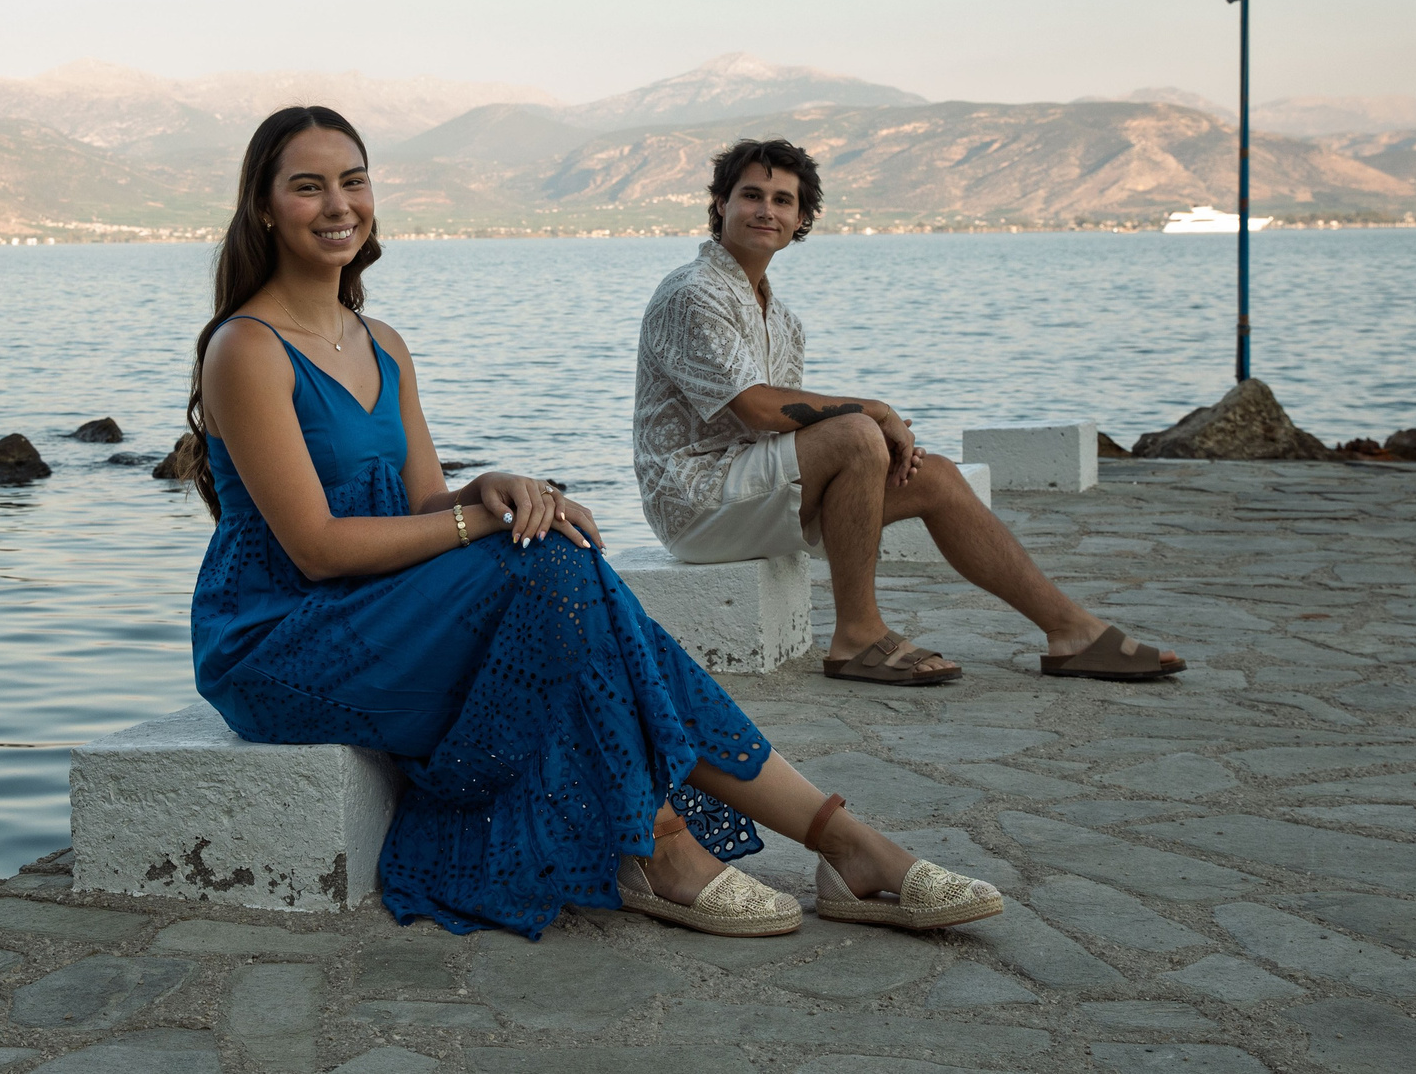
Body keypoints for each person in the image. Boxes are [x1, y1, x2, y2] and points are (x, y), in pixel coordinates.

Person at [186, 106, 1007, 940]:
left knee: (569, 571)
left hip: (378, 610)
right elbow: (318, 549)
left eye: (353, 181)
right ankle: (691, 842)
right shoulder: (246, 348)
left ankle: (828, 840)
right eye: (309, 186)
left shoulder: (382, 344)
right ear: (265, 207)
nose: (338, 205)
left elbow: (425, 501)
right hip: (281, 640)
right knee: (554, 573)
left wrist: (492, 487)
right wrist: (480, 525)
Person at [634, 138, 1186, 686]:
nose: (765, 211)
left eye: (783, 201)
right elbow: (758, 409)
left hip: (752, 494)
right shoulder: (694, 292)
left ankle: (1071, 632)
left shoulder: (782, 319)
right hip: (697, 501)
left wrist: (876, 453)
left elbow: (785, 428)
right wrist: (876, 417)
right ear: (721, 204)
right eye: (751, 195)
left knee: (936, 477)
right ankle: (858, 636)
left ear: (801, 219)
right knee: (856, 433)